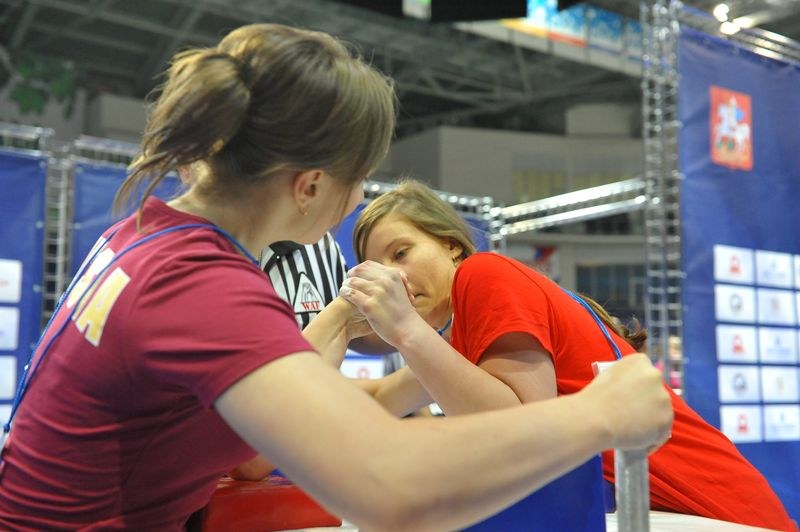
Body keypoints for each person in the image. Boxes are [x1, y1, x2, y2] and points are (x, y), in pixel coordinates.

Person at [0, 24, 673, 531]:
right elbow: (388, 485)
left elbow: (253, 445)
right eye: (357, 185)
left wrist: (353, 324)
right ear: (313, 183)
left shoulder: (149, 238)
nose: (355, 205)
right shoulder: (199, 283)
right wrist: (599, 414)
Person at [343, 179, 797, 532]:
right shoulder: (461, 337)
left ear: (451, 245)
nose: (394, 278)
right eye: (379, 269)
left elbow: (524, 430)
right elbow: (382, 396)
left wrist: (404, 330)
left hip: (712, 508)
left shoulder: (484, 273)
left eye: (401, 253)